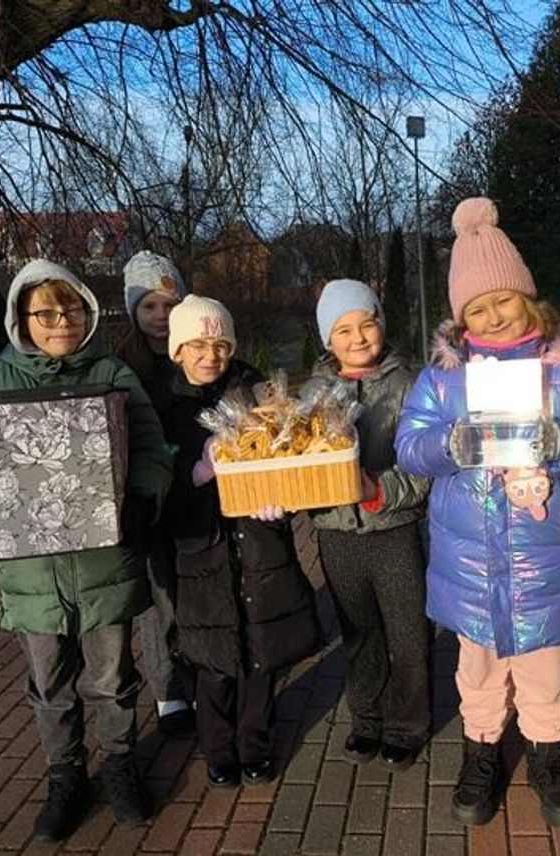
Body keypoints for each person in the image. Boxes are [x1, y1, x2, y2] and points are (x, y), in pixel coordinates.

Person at [0, 259, 173, 842]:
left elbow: (154, 448)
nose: (61, 322)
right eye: (46, 312)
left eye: (72, 309)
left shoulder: (110, 374)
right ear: (22, 318)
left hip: (104, 562)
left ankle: (121, 765)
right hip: (31, 574)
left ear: (86, 310)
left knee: (111, 677)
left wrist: (141, 497)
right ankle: (65, 774)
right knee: (50, 684)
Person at [395, 197, 560, 827]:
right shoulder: (444, 379)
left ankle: (549, 749)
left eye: (502, 299)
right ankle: (480, 749)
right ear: (461, 317)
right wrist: (449, 444)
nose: (494, 317)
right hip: (469, 560)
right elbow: (408, 447)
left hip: (544, 558)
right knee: (477, 666)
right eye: (477, 308)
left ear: (527, 296)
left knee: (544, 662)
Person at [157, 294, 323, 789]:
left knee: (260, 653)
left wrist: (281, 498)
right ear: (178, 349)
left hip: (257, 542)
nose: (211, 355)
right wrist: (197, 473)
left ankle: (255, 744)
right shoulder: (162, 405)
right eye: (198, 345)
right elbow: (154, 486)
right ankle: (218, 748)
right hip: (200, 549)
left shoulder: (255, 394)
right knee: (211, 659)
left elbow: (286, 454)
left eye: (221, 344)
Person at [308, 279, 431, 770]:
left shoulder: (409, 385)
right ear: (327, 339)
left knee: (407, 633)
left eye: (367, 323)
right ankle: (366, 720)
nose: (358, 337)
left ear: (381, 323)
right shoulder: (314, 393)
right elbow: (300, 459)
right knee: (358, 632)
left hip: (394, 529)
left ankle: (406, 725)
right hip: (336, 534)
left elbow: (424, 465)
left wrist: (378, 491)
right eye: (343, 330)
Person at [116, 250, 195, 736]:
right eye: (149, 307)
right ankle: (168, 688)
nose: (161, 318)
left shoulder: (196, 350)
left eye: (169, 305)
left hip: (194, 490)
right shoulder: (123, 366)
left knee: (193, 588)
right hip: (148, 499)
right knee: (158, 593)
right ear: (133, 312)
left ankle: (200, 670)